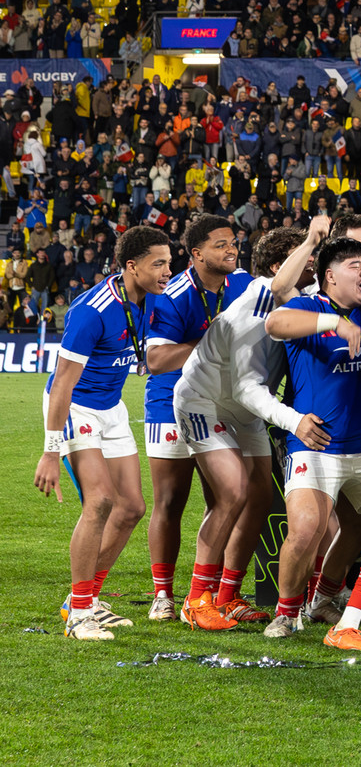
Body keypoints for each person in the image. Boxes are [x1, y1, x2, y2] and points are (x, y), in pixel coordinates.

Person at [172, 220, 332, 634]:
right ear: (281, 266)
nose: (313, 264)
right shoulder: (258, 299)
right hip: (203, 402)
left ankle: (228, 596)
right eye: (306, 258)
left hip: (245, 411)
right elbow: (247, 388)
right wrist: (293, 420)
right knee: (232, 493)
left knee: (260, 499)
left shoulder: (303, 301)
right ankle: (196, 599)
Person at [264, 238, 361, 648]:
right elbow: (274, 324)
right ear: (329, 275)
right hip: (316, 445)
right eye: (356, 266)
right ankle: (285, 612)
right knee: (304, 529)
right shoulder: (309, 308)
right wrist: (334, 323)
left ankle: (329, 599)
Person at [35, 225, 172, 640]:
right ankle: (78, 615)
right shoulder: (92, 309)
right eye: (159, 264)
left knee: (131, 508)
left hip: (111, 407)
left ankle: (86, 599)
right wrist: (50, 450)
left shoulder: (153, 300)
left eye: (170, 262)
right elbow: (61, 383)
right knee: (99, 502)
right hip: (75, 405)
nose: (168, 271)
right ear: (132, 266)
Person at [142, 216, 255, 626]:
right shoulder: (174, 295)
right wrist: (207, 344)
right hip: (167, 402)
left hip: (218, 405)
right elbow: (154, 360)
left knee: (224, 499)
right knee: (170, 502)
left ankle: (212, 594)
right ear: (197, 253)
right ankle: (163, 594)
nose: (231, 250)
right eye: (221, 244)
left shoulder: (241, 284)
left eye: (234, 242)